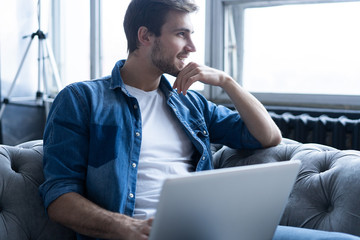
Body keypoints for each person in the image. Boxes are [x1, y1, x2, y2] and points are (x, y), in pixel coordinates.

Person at [39, 0, 360, 240]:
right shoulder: (82, 100)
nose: (192, 47)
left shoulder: (190, 103)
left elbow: (268, 137)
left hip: (207, 231)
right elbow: (59, 196)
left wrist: (227, 82)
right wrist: (129, 227)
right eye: (181, 34)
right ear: (145, 36)